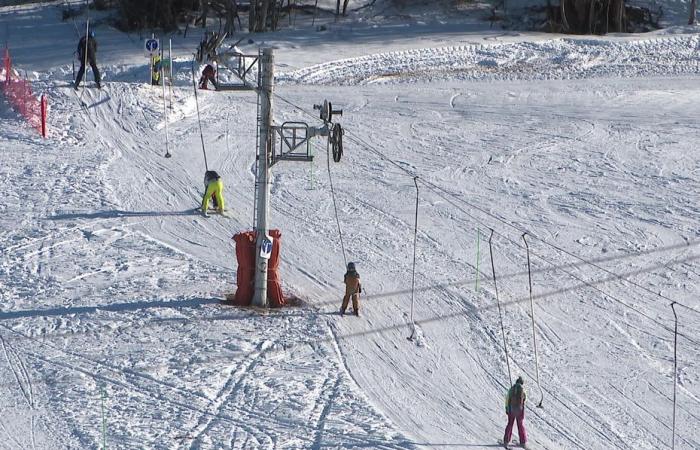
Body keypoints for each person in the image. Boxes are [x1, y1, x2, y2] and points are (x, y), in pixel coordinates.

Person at [503, 376, 527, 448]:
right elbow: (525, 399)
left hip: (511, 409)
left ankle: (506, 440)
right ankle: (523, 441)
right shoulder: (522, 390)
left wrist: (507, 408)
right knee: (520, 425)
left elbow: (507, 399)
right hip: (519, 410)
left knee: (510, 424)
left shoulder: (512, 389)